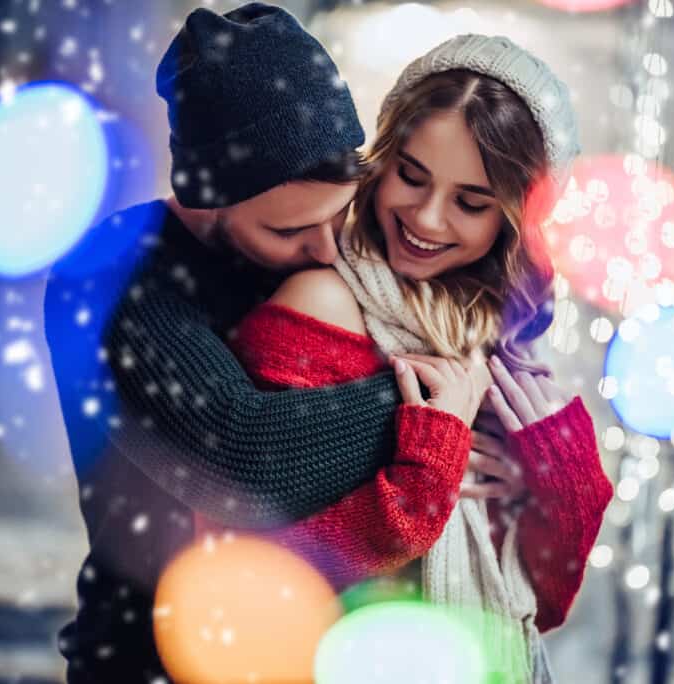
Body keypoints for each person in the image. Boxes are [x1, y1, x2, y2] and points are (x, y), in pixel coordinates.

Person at [43, 5, 483, 681]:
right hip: (148, 659)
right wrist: (442, 407)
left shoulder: (321, 249)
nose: (327, 250)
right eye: (289, 231)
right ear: (203, 197)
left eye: (339, 216)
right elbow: (244, 458)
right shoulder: (106, 275)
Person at [219, 34, 614, 682]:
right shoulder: (321, 303)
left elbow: (541, 606)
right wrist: (428, 463)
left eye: (471, 202)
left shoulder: (485, 332)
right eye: (411, 175)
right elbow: (257, 565)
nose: (427, 219)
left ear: (513, 221)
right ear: (383, 157)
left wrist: (561, 483)